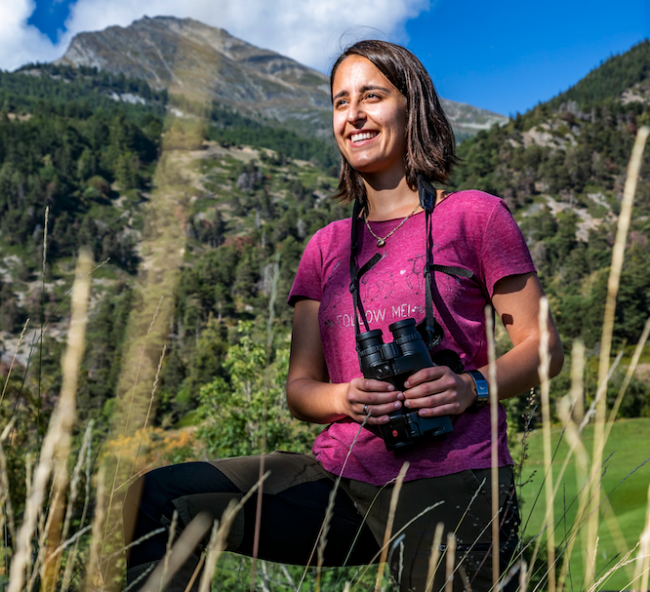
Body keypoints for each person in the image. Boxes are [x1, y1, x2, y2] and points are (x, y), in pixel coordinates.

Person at [123, 40, 564, 592]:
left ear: (413, 106)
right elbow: (301, 388)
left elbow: (543, 348)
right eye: (340, 102)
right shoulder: (326, 248)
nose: (353, 114)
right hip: (340, 479)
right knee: (158, 499)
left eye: (372, 96)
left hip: (455, 479)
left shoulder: (475, 215)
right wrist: (344, 398)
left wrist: (468, 385)